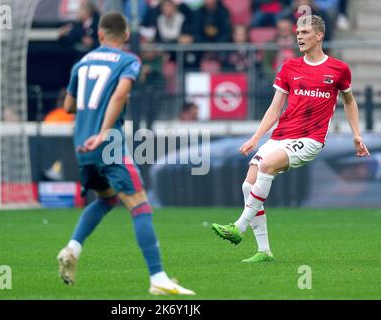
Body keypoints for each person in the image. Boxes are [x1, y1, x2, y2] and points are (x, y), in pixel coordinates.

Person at [211, 15, 371, 263]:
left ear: (319, 36)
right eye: (298, 32)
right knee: (248, 184)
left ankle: (239, 227)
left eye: (305, 32)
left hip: (310, 139)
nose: (299, 36)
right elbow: (275, 108)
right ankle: (264, 251)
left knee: (266, 166)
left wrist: (357, 135)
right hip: (281, 135)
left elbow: (349, 102)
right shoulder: (289, 67)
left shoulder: (339, 69)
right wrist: (256, 137)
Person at [57, 11, 195, 295]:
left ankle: (72, 248)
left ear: (99, 35)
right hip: (107, 145)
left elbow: (69, 106)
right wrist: (105, 131)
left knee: (107, 200)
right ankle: (157, 278)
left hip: (82, 147)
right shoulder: (128, 60)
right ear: (127, 36)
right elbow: (119, 95)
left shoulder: (82, 63)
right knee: (140, 206)